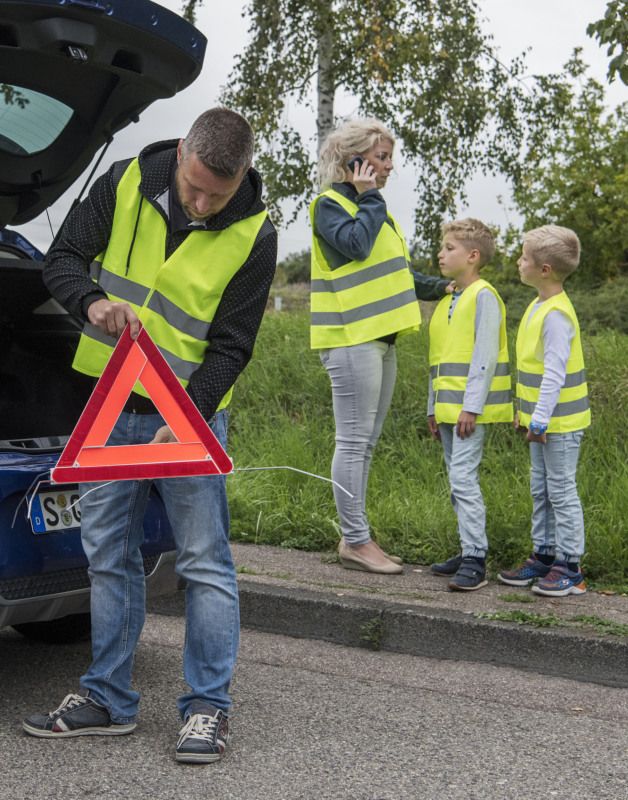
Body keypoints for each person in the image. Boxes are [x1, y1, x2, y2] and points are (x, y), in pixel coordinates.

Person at [23, 108, 277, 763]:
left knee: (205, 564)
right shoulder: (125, 180)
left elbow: (233, 345)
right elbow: (63, 260)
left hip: (183, 416)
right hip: (109, 406)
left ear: (242, 175)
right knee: (107, 553)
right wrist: (90, 303)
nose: (199, 204)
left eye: (215, 195)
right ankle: (107, 698)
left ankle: (206, 711)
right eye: (193, 187)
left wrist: (188, 412)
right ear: (183, 154)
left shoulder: (255, 234)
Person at [310, 118, 450, 574]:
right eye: (381, 157)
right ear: (354, 160)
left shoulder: (375, 209)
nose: (389, 167)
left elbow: (398, 275)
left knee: (365, 444)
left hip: (381, 341)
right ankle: (355, 541)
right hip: (352, 339)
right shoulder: (330, 206)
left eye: (389, 158)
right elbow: (355, 246)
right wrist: (369, 196)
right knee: (352, 443)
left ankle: (359, 537)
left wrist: (444, 287)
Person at [498, 225, 590, 596]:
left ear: (545, 269)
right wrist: (527, 413)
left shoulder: (555, 315)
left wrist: (539, 420)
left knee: (561, 492)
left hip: (559, 424)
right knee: (542, 489)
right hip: (541, 421)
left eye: (523, 257)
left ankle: (571, 567)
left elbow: (554, 373)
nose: (518, 262)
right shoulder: (539, 305)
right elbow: (534, 373)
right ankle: (544, 555)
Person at [428, 219, 512, 591]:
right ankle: (467, 548)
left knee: (464, 479)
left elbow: (485, 356)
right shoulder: (450, 299)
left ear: (472, 256)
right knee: (455, 481)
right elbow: (439, 359)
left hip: (467, 412)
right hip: (447, 410)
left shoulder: (484, 296)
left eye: (449, 248)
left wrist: (472, 407)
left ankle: (476, 559)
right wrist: (432, 406)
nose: (440, 254)